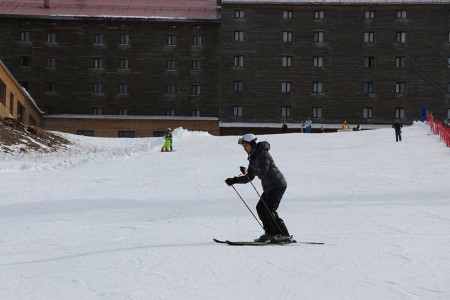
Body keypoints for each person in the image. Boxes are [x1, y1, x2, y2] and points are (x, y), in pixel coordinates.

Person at [225, 133, 290, 242]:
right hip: (269, 186)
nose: (244, 149)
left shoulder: (263, 154)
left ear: (252, 144)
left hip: (277, 184)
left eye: (245, 146)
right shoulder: (253, 157)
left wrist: (249, 171)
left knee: (270, 209)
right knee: (260, 208)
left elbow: (263, 173)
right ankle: (270, 233)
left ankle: (283, 234)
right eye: (243, 146)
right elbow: (249, 177)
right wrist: (234, 180)